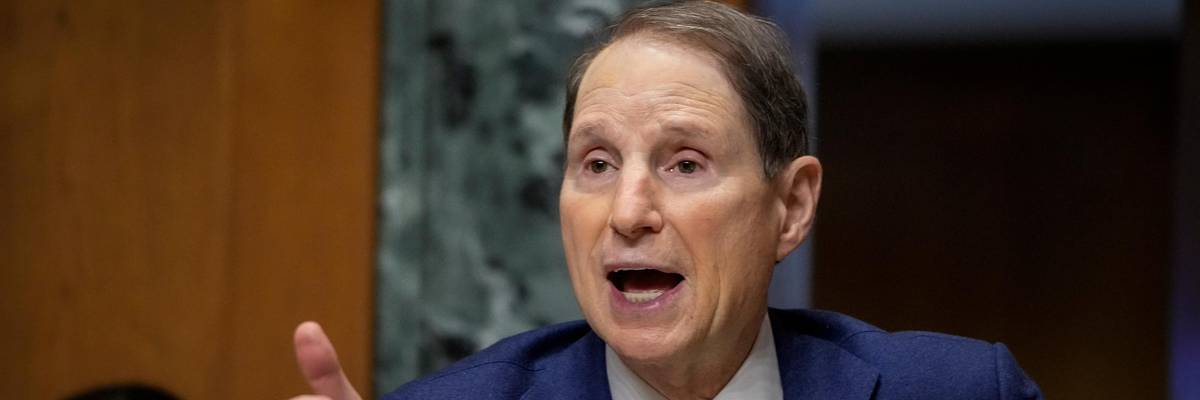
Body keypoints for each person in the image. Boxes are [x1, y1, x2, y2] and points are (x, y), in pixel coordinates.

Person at [289, 1, 1043, 399]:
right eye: (596, 163)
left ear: (791, 205)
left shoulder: (962, 391)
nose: (627, 212)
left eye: (684, 164)